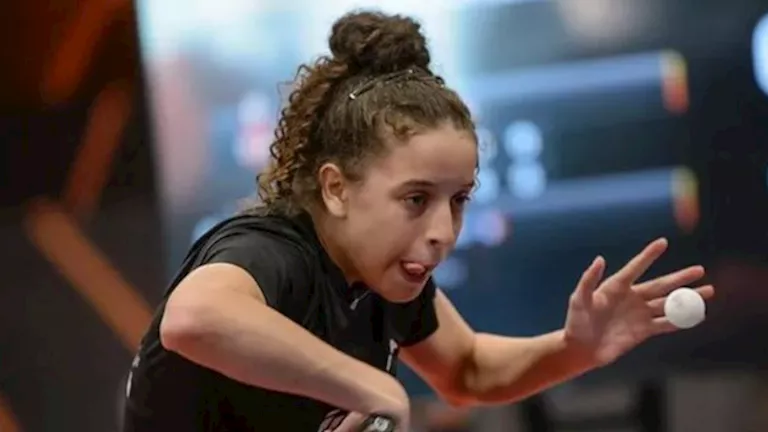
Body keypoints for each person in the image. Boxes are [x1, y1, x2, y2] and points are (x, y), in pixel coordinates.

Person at [122, 10, 715, 432]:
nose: (443, 232)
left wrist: (575, 350)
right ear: (336, 189)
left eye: (458, 201)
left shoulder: (381, 283)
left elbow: (468, 371)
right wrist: (369, 383)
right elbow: (194, 318)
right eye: (415, 199)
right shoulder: (273, 252)